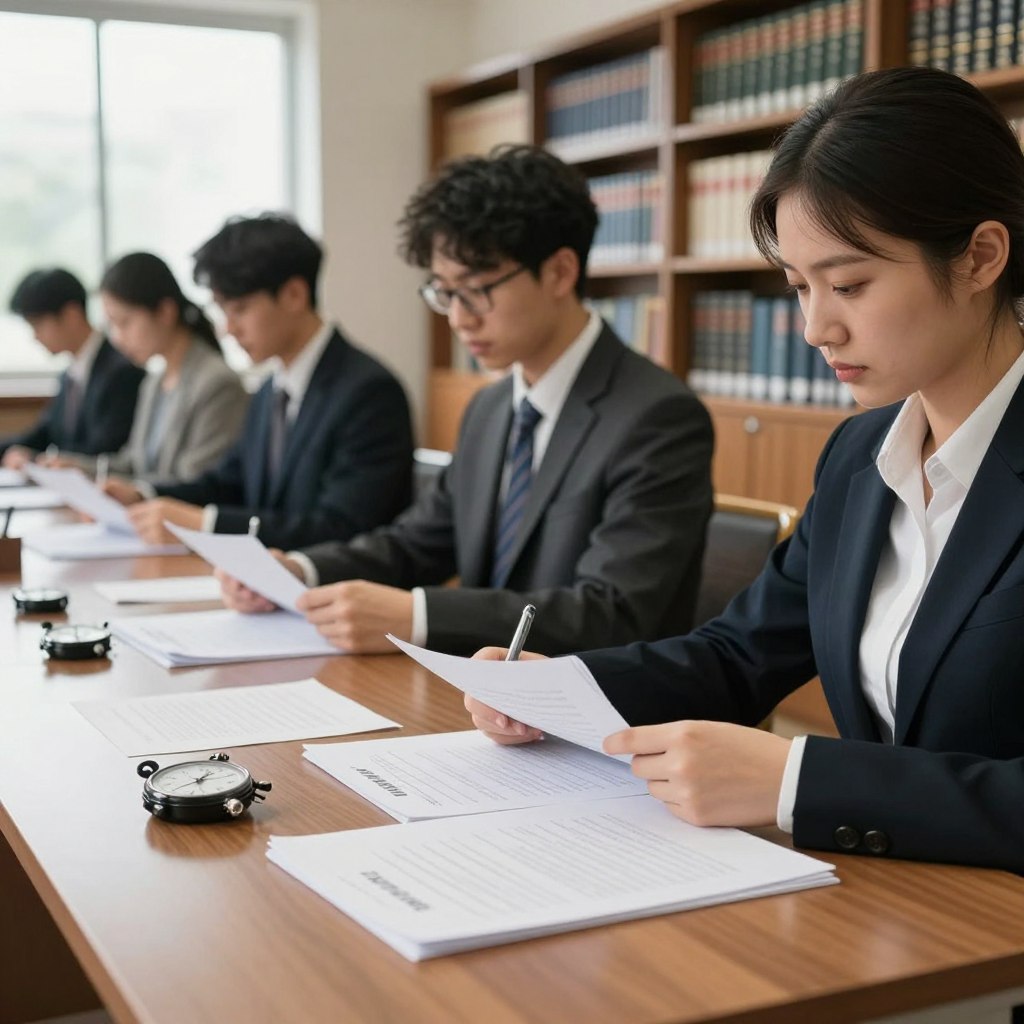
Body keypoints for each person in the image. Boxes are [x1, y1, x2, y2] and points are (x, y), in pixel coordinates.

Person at [467, 67, 1024, 875]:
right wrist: (566, 688)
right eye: (799, 287)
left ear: (980, 257)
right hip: (887, 899)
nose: (815, 328)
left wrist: (800, 778)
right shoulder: (860, 458)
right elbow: (739, 656)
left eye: (849, 284)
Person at [219, 145, 714, 655]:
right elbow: (418, 543)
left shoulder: (657, 417)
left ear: (560, 273)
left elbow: (610, 611)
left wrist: (419, 616)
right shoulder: (491, 408)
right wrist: (300, 569)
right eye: (444, 292)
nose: (457, 319)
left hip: (596, 714)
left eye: (475, 289)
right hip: (487, 699)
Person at [105, 214, 414, 550]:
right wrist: (143, 494)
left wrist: (208, 524)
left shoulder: (368, 392)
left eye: (239, 309)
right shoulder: (270, 389)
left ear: (294, 295)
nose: (227, 329)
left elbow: (341, 526)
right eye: (222, 311)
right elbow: (227, 483)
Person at [40, 252, 248, 486]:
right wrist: (79, 467)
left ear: (165, 312)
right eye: (111, 325)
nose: (117, 338)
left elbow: (196, 484)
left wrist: (135, 492)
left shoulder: (216, 383)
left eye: (124, 322)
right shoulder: (155, 381)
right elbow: (133, 463)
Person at [1, 268, 144, 467]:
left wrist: (34, 460)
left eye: (38, 324)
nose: (35, 336)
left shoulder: (123, 371)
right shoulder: (70, 374)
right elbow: (44, 434)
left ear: (71, 314)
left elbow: (103, 450)